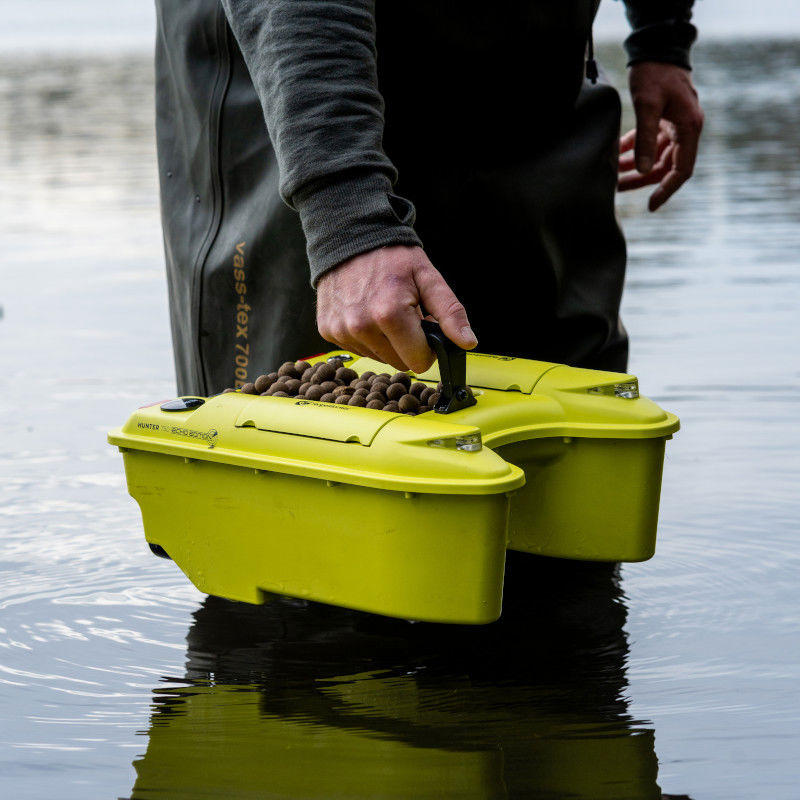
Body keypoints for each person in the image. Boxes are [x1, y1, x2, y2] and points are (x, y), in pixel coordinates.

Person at [154, 1, 702, 395]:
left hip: (535, 82)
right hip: (306, 82)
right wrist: (347, 220)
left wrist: (662, 37)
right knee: (309, 453)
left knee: (565, 426)